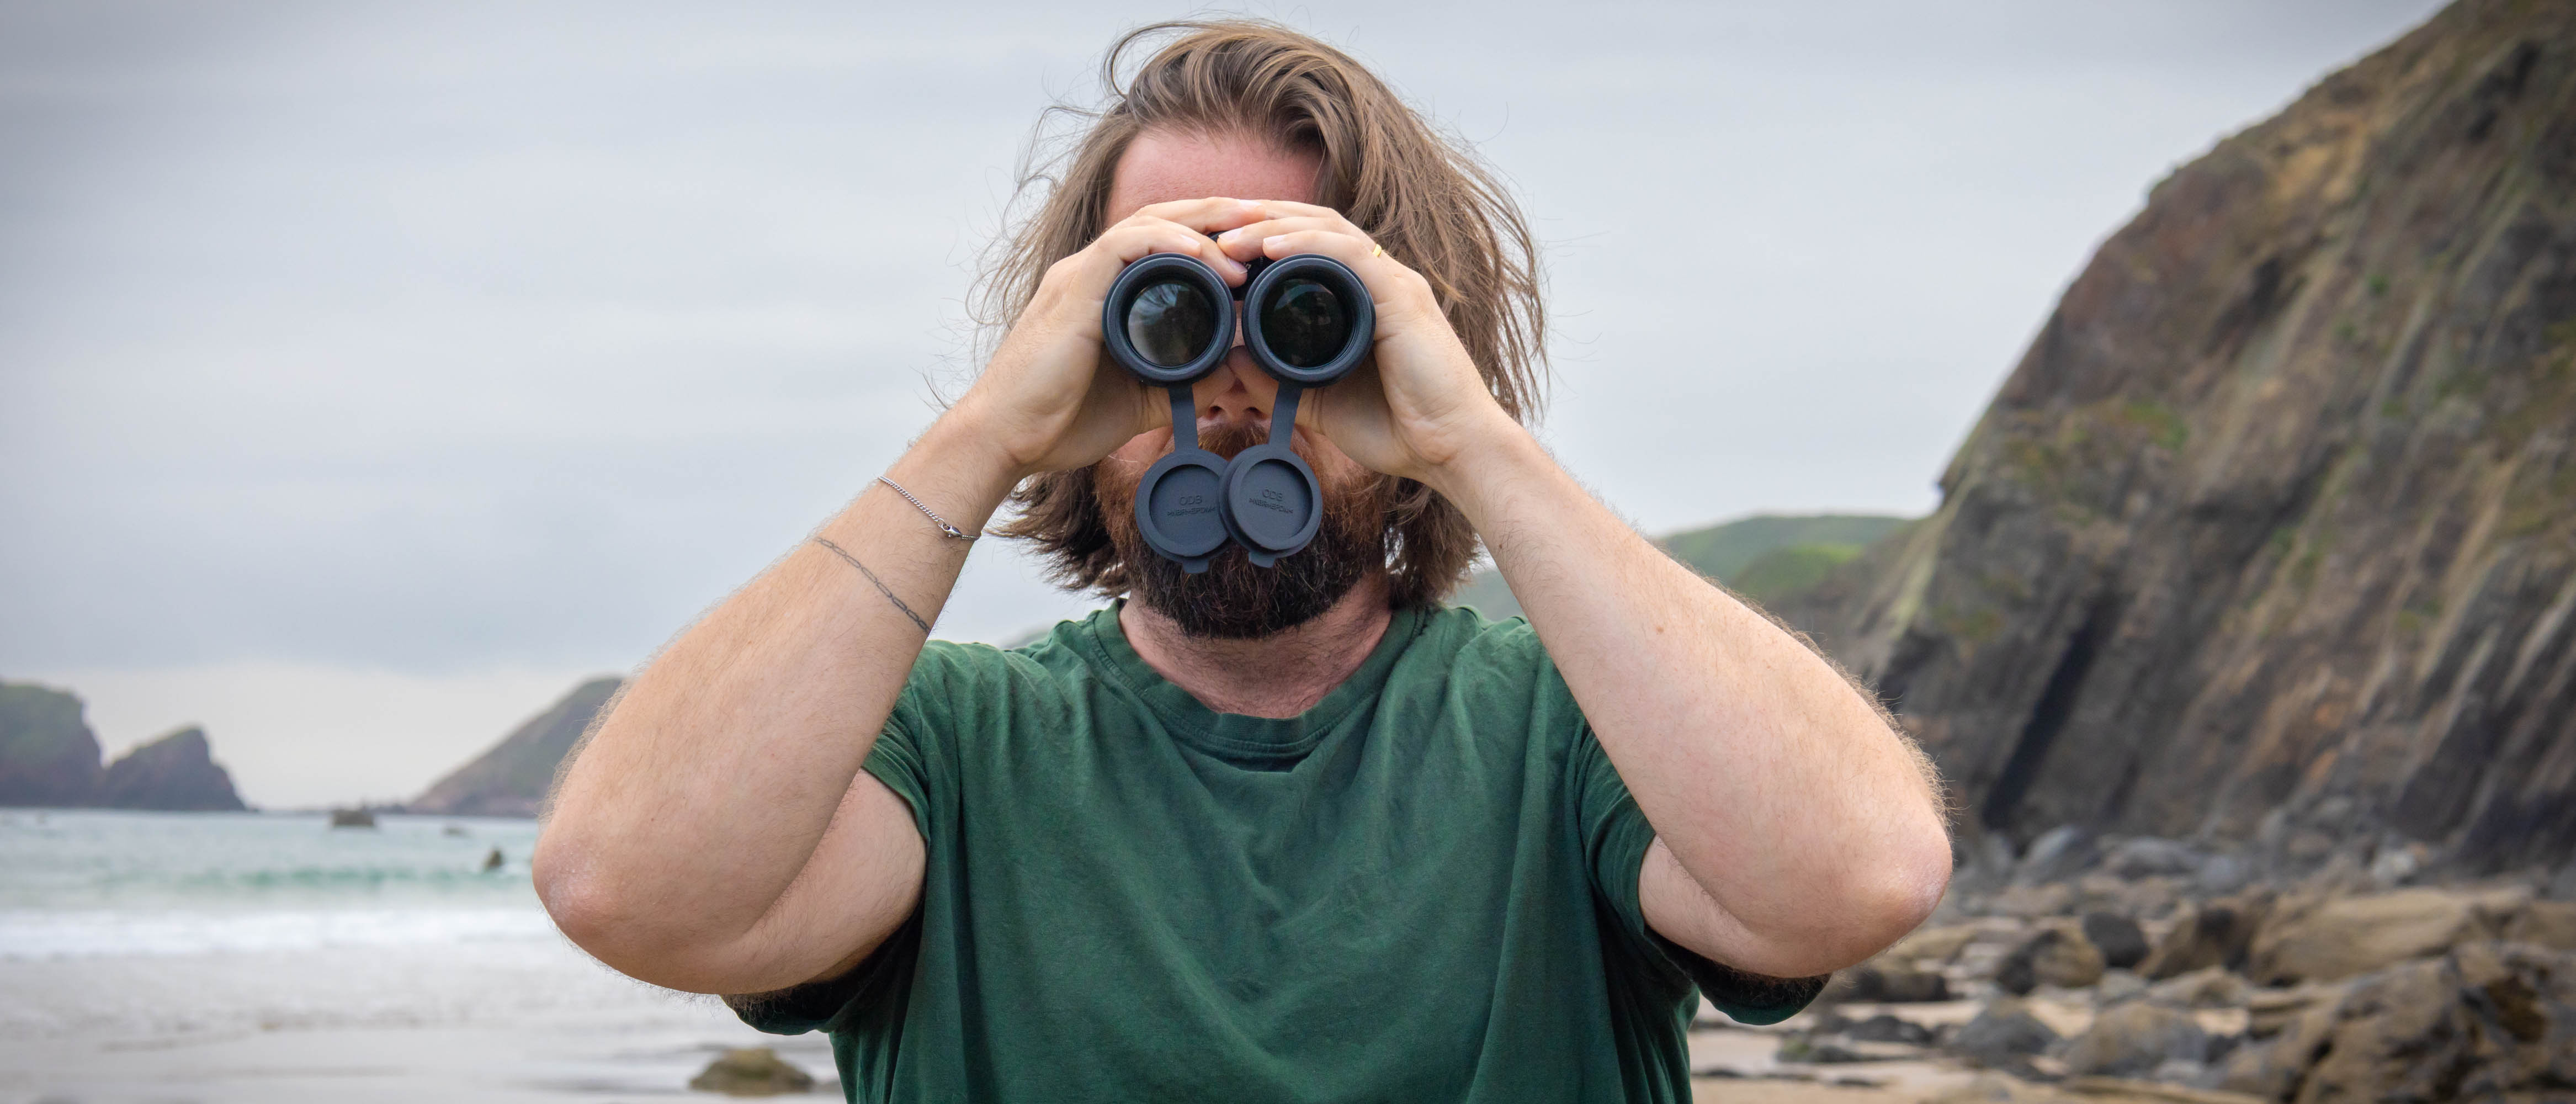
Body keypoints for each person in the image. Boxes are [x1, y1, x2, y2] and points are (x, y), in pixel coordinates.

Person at [533, 19, 1952, 1104]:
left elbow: (1856, 876)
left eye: (1300, 311)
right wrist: (989, 430)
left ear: (1408, 324)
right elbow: (622, 886)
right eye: (1163, 311)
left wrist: (1470, 438)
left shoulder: (1577, 735)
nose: (1228, 391)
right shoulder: (942, 752)